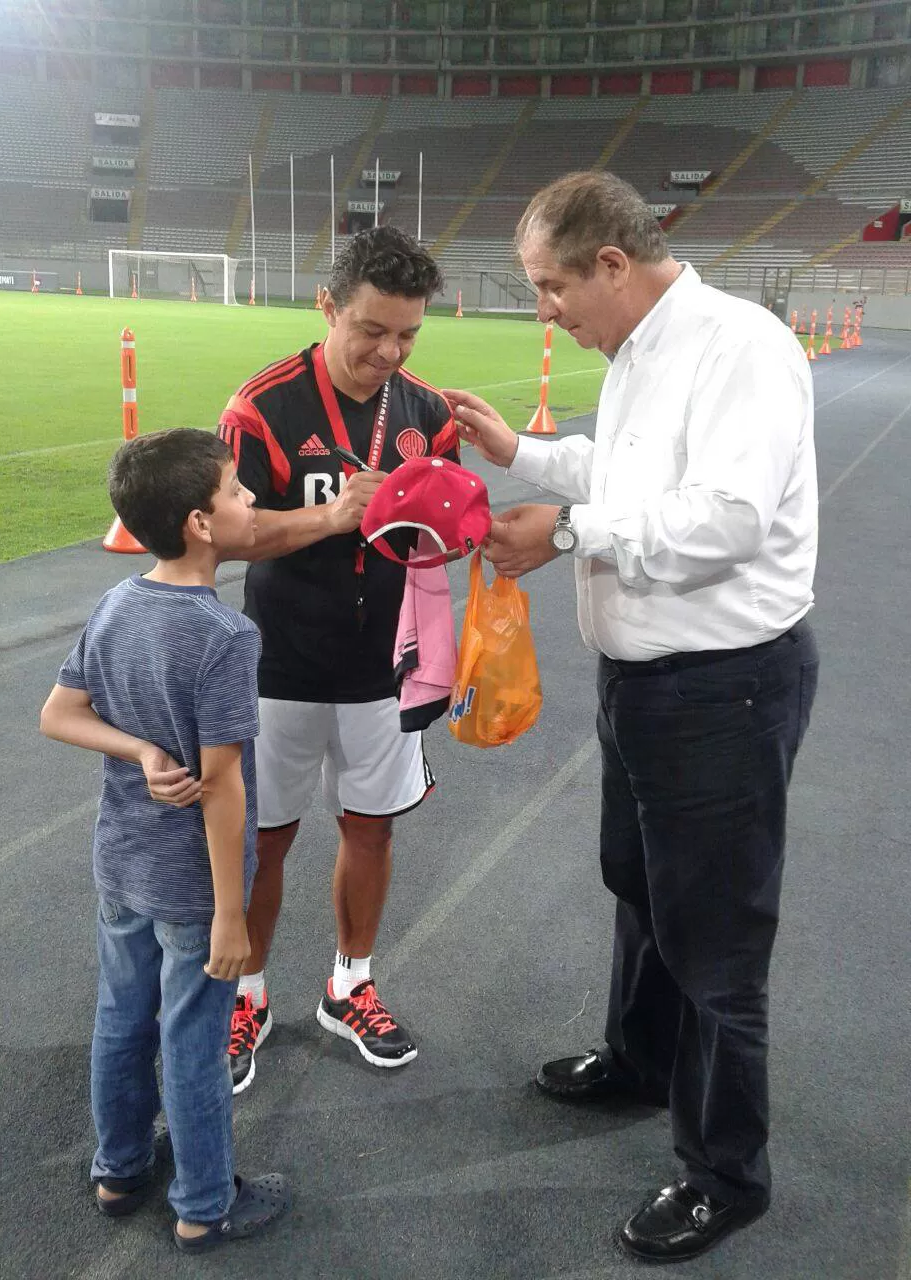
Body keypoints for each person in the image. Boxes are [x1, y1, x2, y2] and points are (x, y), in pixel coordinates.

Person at [446, 171, 819, 1264]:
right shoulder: (642, 350)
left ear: (614, 263)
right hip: (647, 679)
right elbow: (630, 475)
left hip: (722, 685)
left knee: (714, 935)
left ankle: (725, 1172)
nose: (544, 307)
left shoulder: (738, 345)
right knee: (642, 886)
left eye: (551, 283)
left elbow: (730, 517)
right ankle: (641, 1058)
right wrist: (522, 456)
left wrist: (564, 533)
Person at [215, 226, 458, 1092]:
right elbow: (225, 533)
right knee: (262, 841)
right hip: (278, 666)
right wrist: (328, 518)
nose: (389, 352)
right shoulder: (263, 407)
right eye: (371, 330)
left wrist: (455, 529)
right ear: (328, 307)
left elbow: (445, 533)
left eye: (407, 335)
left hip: (381, 670)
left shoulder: (426, 414)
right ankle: (245, 995)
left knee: (370, 827)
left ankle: (349, 984)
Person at [40, 429, 291, 1253]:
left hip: (121, 864)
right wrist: (232, 915)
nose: (251, 500)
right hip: (191, 883)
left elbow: (61, 714)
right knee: (191, 1039)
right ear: (201, 524)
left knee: (121, 1018)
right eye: (238, 491)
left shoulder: (119, 601)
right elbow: (222, 786)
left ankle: (117, 1171)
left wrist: (139, 749)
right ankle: (204, 1202)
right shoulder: (225, 637)